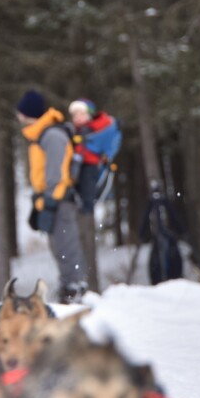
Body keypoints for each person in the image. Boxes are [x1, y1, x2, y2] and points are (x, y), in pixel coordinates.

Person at [16, 90, 87, 304]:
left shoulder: (52, 135)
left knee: (66, 244)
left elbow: (57, 173)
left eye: (20, 112)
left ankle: (75, 287)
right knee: (59, 246)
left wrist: (49, 201)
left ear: (29, 113)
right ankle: (70, 286)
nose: (18, 116)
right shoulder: (41, 134)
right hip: (51, 199)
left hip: (60, 200)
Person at [68, 98, 122, 292]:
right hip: (82, 166)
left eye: (81, 114)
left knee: (87, 192)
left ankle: (86, 205)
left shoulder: (92, 131)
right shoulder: (79, 131)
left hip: (89, 166)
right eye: (75, 115)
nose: (77, 118)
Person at [139, 180, 184, 285]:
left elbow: (174, 218)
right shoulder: (161, 202)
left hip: (166, 237)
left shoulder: (163, 202)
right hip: (162, 238)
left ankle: (167, 278)